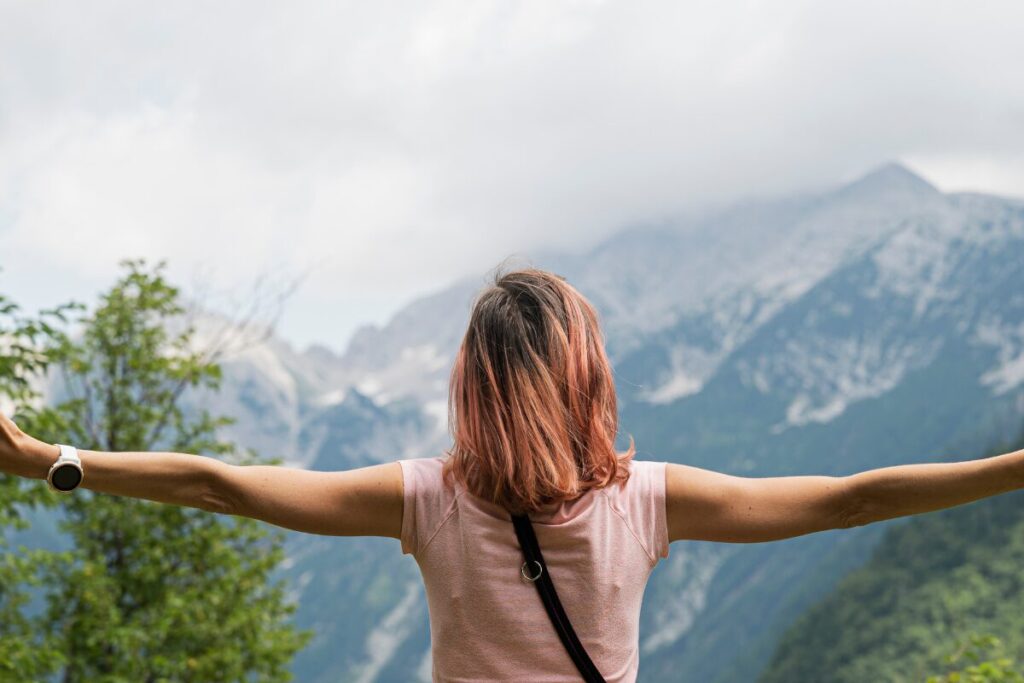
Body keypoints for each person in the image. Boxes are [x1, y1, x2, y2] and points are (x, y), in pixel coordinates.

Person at [1, 266, 1022, 683]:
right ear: (588, 375)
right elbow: (856, 496)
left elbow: (219, 482)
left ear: (472, 384)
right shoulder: (652, 499)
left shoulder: (420, 499)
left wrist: (53, 458)